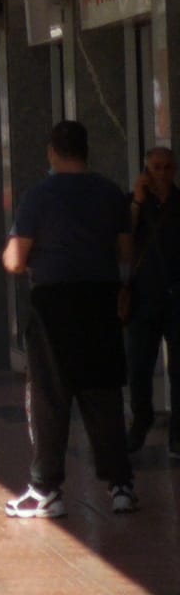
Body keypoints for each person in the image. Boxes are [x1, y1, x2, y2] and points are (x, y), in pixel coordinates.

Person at [1, 121, 137, 517]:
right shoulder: (111, 194)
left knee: (49, 398)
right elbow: (125, 252)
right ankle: (121, 484)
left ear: (52, 152)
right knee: (104, 395)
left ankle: (45, 488)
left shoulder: (38, 197)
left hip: (53, 306)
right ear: (86, 150)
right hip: (100, 301)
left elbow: (14, 260)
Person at [125, 147, 180, 457]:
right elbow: (125, 239)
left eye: (167, 167)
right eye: (156, 167)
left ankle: (178, 432)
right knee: (139, 366)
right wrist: (137, 200)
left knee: (178, 371)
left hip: (175, 296)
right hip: (143, 297)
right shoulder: (136, 204)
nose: (162, 173)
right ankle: (141, 420)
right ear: (147, 171)